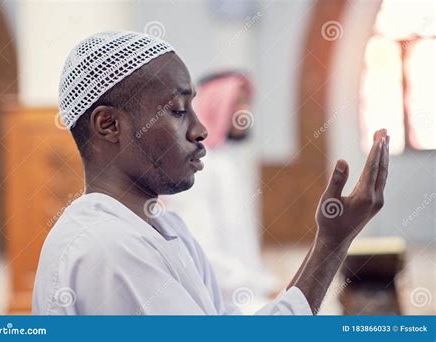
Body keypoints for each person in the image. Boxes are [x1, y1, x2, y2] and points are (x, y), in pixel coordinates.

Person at [32, 31, 390, 315]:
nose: (200, 129)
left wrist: (331, 242)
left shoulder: (166, 230)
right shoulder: (109, 246)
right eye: (176, 110)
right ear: (109, 124)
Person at [163, 71, 279, 313]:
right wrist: (254, 286)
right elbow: (200, 247)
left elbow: (239, 243)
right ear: (216, 104)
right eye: (237, 101)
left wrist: (265, 283)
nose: (245, 110)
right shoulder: (198, 165)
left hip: (246, 295)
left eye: (247, 102)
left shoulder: (228, 161)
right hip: (219, 301)